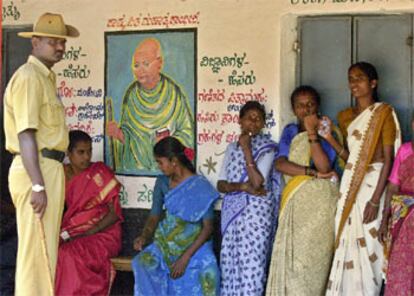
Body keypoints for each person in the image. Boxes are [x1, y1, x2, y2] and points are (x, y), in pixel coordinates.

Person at [3, 12, 79, 296]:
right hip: (36, 169)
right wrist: (37, 183)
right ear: (35, 42)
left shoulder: (45, 78)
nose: (59, 47)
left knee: (44, 250)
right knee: (36, 254)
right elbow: (26, 134)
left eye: (62, 41)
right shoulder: (29, 77)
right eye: (52, 41)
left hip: (49, 168)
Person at [325, 62, 401, 295]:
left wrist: (376, 200)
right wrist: (329, 138)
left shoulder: (384, 113)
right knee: (347, 242)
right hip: (351, 185)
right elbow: (351, 158)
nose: (353, 83)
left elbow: (389, 159)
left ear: (373, 83)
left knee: (370, 245)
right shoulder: (345, 117)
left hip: (373, 188)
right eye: (350, 78)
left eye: (359, 78)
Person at [266, 86, 342, 296]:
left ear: (318, 106)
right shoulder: (290, 131)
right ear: (293, 108)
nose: (306, 109)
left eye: (310, 104)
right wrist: (311, 173)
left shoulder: (329, 131)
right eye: (300, 105)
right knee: (294, 264)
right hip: (296, 204)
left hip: (320, 209)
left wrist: (312, 133)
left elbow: (325, 167)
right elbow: (280, 164)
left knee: (314, 264)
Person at [131, 137, 220, 296]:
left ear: (174, 161)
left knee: (210, 273)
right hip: (166, 243)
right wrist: (144, 236)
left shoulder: (201, 186)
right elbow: (154, 216)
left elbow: (208, 228)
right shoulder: (162, 182)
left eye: (160, 162)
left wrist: (185, 258)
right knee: (142, 263)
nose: (159, 167)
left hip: (195, 246)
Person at [218, 101, 280, 295]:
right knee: (231, 263)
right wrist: (242, 187)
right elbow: (221, 185)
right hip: (232, 215)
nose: (253, 122)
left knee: (254, 264)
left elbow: (257, 183)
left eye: (258, 119)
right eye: (249, 118)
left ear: (263, 124)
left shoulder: (268, 148)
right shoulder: (230, 148)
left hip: (256, 215)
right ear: (240, 121)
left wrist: (246, 150)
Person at [106, 37, 194, 173]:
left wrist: (169, 141)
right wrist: (118, 134)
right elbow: (129, 138)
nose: (140, 70)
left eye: (145, 64)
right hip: (138, 171)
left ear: (159, 63)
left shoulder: (173, 93)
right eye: (136, 65)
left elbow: (187, 134)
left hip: (167, 173)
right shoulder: (131, 95)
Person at [55, 130, 123, 295]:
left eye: (89, 151)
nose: (86, 157)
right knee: (52, 251)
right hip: (73, 232)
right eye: (81, 152)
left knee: (67, 254)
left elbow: (114, 214)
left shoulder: (100, 172)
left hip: (103, 234)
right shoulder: (60, 174)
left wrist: (89, 232)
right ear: (68, 153)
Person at [377, 114, 414, 295]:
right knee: (401, 270)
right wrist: (385, 219)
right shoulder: (406, 151)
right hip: (402, 223)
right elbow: (392, 186)